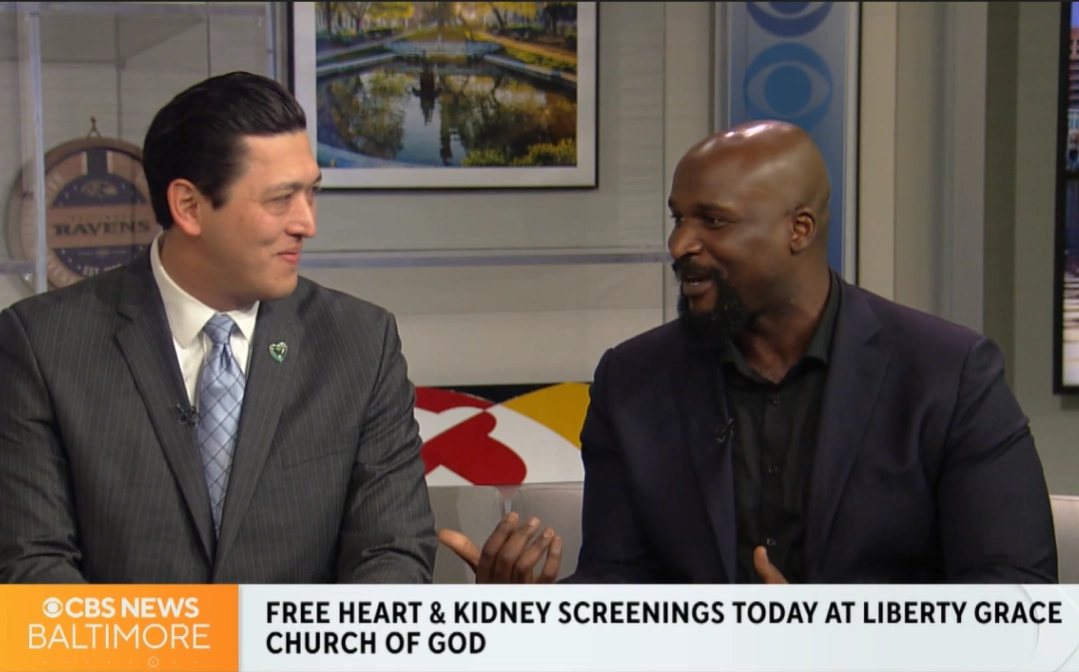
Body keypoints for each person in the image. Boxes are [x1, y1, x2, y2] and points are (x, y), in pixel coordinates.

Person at [438, 120, 1059, 584]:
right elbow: (621, 582)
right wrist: (538, 618)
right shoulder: (633, 380)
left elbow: (1015, 595)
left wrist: (834, 644)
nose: (680, 244)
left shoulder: (948, 375)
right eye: (678, 218)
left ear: (799, 230)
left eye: (713, 221)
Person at [0, 72, 437, 583]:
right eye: (280, 199)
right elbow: (32, 564)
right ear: (189, 206)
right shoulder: (43, 345)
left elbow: (392, 551)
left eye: (311, 193)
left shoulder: (360, 343)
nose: (307, 223)